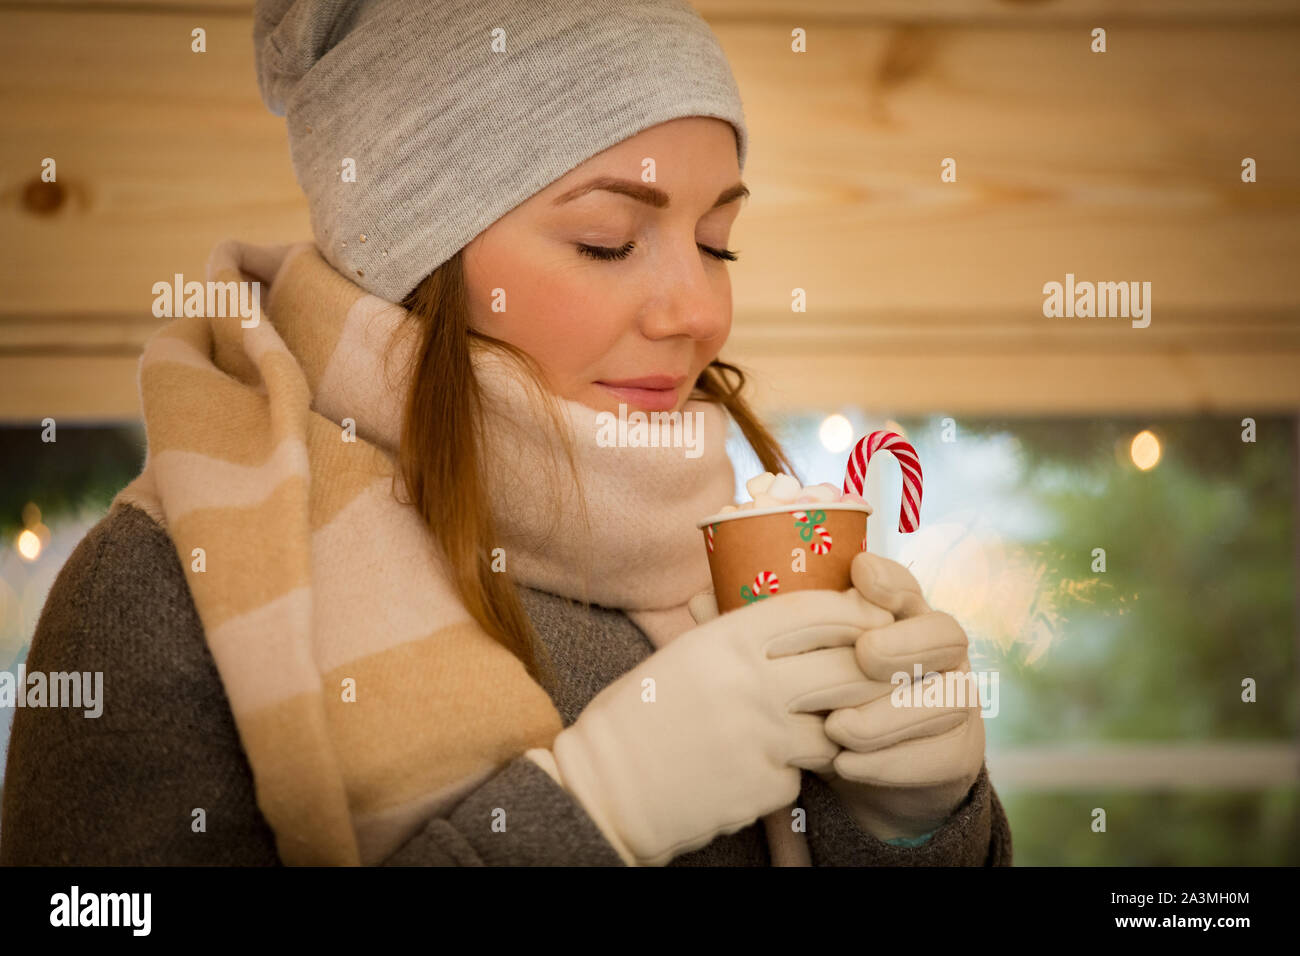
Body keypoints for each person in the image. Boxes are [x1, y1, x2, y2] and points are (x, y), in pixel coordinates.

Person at [0, 0, 1011, 867]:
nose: (697, 311)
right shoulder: (176, 582)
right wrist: (591, 811)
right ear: (417, 257)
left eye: (718, 243)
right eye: (607, 241)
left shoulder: (729, 554)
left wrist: (914, 830)